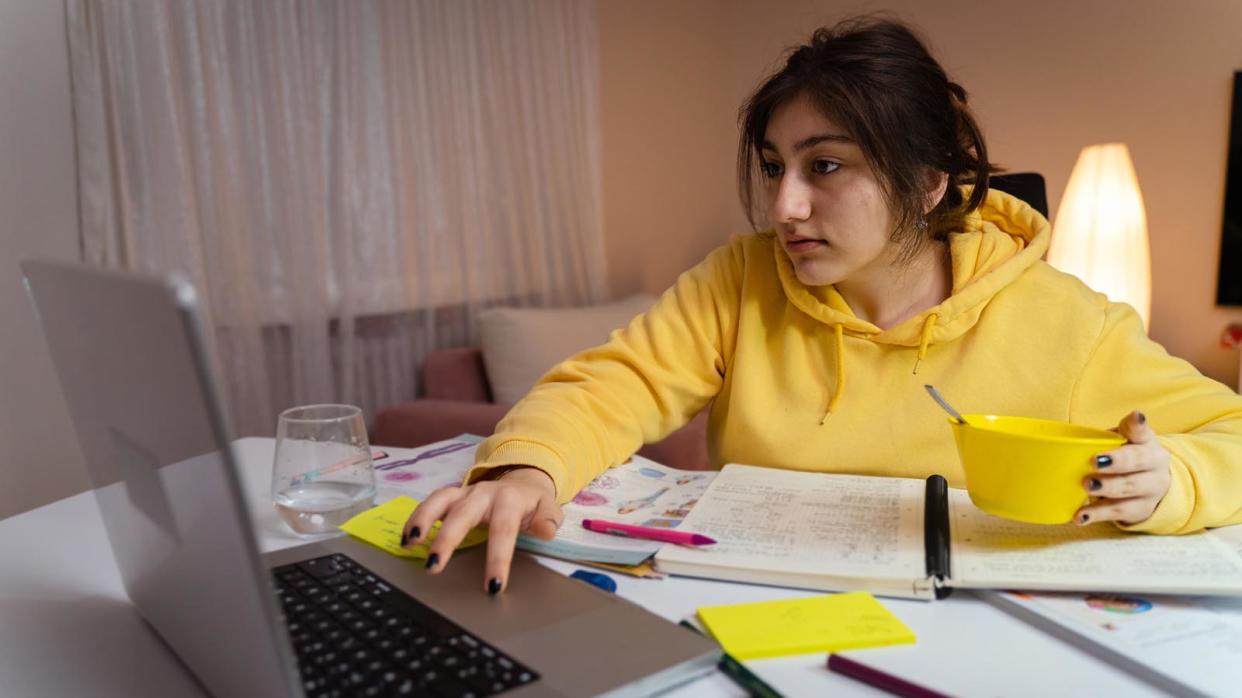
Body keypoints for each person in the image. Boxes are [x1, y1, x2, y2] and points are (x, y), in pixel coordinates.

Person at [401, 17, 1242, 594]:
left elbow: (1230, 436)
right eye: (774, 167)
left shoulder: (1068, 322)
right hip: (743, 612)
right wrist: (527, 467)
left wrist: (1171, 480)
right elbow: (609, 386)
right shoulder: (740, 278)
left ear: (923, 184)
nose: (784, 208)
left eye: (825, 167)